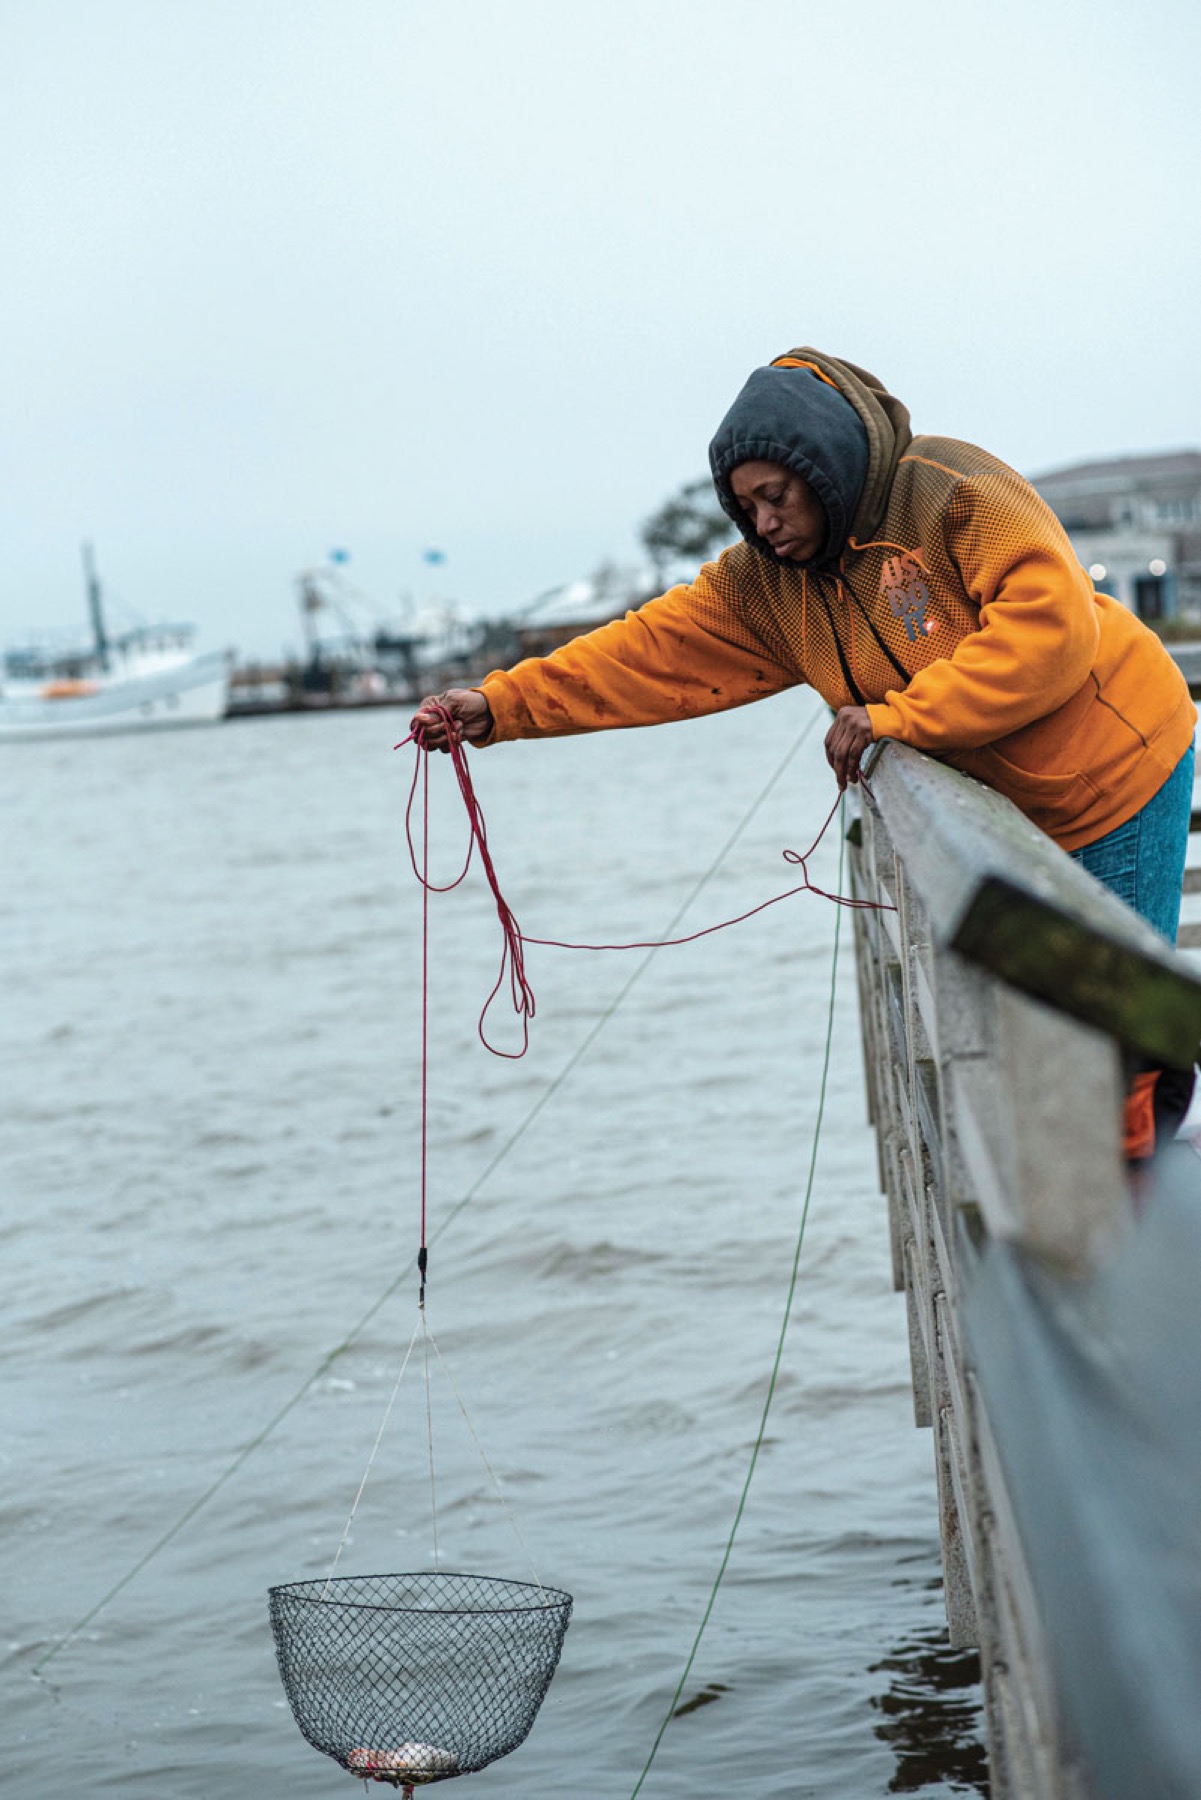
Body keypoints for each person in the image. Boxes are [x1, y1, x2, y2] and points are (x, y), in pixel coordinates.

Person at [412, 345, 1198, 1160]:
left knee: (1126, 1027)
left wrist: (898, 717)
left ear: (823, 467)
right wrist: (498, 705)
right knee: (1052, 1029)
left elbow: (1049, 633)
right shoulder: (763, 585)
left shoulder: (955, 491)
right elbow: (645, 653)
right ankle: (1098, 1196)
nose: (763, 523)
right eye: (744, 508)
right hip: (1006, 811)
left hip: (1115, 763)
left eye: (775, 497)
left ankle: (1129, 1220)